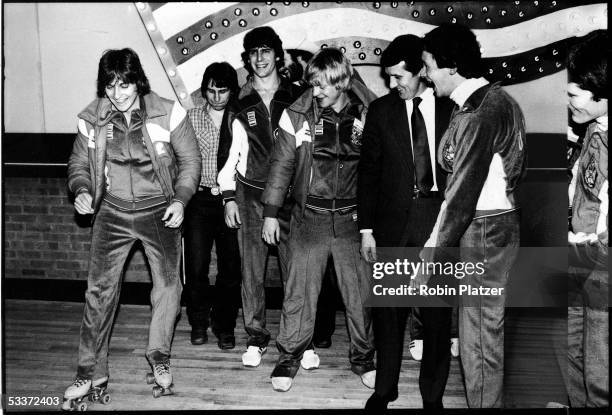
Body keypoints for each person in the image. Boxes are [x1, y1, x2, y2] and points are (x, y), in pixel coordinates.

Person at [63, 48, 201, 407]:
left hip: (160, 211)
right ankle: (90, 369)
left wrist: (180, 200)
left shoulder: (168, 112)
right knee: (99, 291)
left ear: (137, 80)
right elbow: (78, 162)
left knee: (169, 287)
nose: (117, 93)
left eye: (124, 85)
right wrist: (81, 190)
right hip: (112, 212)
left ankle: (159, 357)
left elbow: (190, 161)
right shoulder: (92, 118)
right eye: (110, 86)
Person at [421, 24, 527, 408]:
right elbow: (514, 171)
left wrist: (432, 250)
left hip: (481, 230)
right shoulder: (496, 100)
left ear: (450, 66)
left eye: (428, 66)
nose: (425, 75)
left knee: (478, 339)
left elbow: (461, 197)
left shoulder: (477, 114)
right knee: (484, 333)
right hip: (497, 224)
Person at [261, 47, 377, 392]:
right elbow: (281, 166)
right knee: (299, 293)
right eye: (313, 84)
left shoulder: (369, 114)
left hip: (351, 220)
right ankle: (288, 358)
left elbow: (379, 171)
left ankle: (364, 358)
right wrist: (270, 213)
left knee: (359, 295)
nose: (316, 92)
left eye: (323, 85)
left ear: (342, 82)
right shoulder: (296, 116)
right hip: (308, 217)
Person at [359, 35, 454, 412]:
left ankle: (432, 395)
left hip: (439, 220)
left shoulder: (451, 109)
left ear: (421, 72)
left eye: (400, 76)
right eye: (389, 77)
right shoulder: (380, 112)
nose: (393, 84)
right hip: (392, 224)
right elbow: (368, 174)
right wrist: (367, 229)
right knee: (389, 315)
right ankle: (385, 389)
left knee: (435, 317)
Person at [217, 27, 314, 368]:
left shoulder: (300, 96)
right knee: (252, 273)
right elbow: (228, 153)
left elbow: (312, 149)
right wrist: (229, 196)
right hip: (251, 196)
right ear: (247, 59)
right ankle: (256, 338)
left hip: (292, 199)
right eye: (253, 53)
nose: (259, 58)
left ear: (277, 55)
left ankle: (300, 340)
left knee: (297, 272)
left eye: (266, 51)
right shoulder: (239, 102)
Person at [184, 62, 241, 349]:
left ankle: (225, 326)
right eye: (210, 90)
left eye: (222, 90)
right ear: (203, 90)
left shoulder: (241, 118)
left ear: (232, 91)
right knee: (196, 266)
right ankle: (197, 322)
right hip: (199, 199)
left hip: (231, 200)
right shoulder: (192, 117)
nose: (216, 96)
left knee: (231, 269)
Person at [565, 29, 608, 408]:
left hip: (602, 262)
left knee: (600, 369)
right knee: (574, 352)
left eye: (574, 93)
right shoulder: (593, 127)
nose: (569, 100)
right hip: (579, 253)